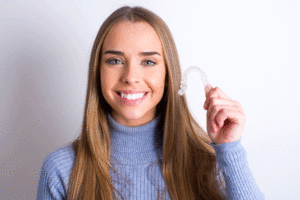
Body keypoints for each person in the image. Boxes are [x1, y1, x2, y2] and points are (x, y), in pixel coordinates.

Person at [36, 6, 265, 200]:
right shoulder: (61, 169)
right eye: (115, 60)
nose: (131, 76)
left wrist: (230, 149)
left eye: (148, 61)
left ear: (168, 75)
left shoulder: (212, 163)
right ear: (98, 72)